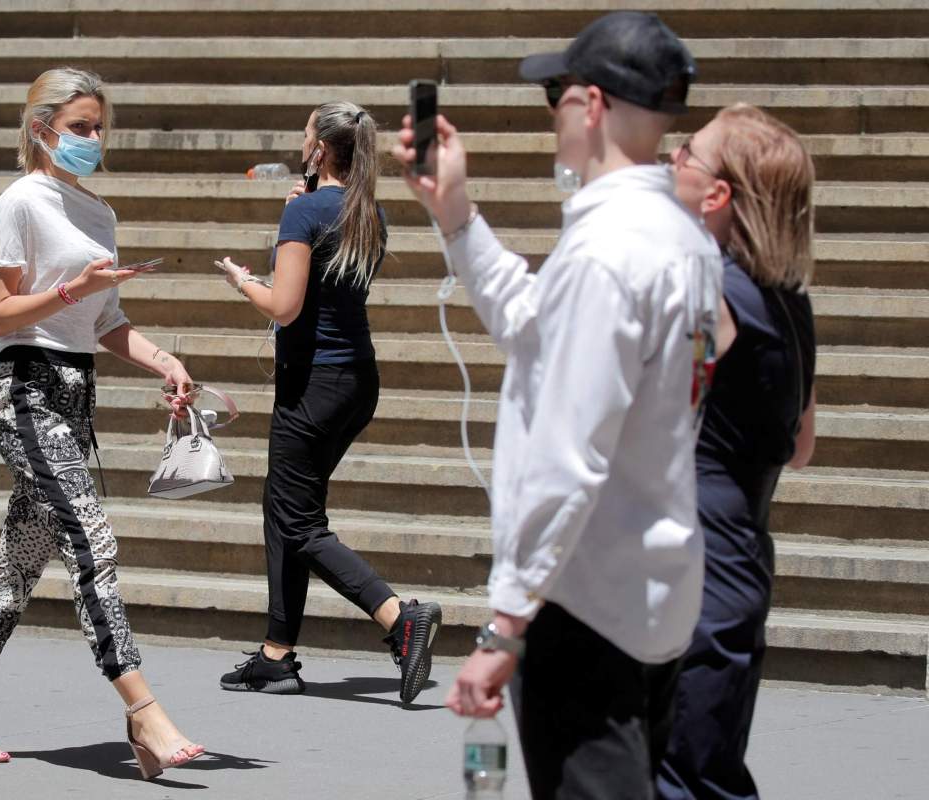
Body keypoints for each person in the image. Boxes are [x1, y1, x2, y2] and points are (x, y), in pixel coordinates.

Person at [393, 12, 722, 798]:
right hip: (649, 589)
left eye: (555, 93)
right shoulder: (678, 239)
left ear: (592, 104)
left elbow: (569, 456)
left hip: (590, 602)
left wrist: (504, 627)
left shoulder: (612, 252)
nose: (552, 115)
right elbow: (535, 323)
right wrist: (456, 215)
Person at [0, 67, 204, 780]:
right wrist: (74, 286)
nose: (93, 139)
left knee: (19, 565)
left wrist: (164, 360)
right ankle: (142, 708)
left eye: (99, 127)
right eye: (80, 127)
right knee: (91, 540)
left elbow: (104, 323)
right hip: (25, 391)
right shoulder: (21, 201)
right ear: (41, 128)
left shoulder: (99, 214)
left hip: (77, 395)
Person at [215, 101, 442, 705]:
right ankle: (275, 656)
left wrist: (243, 281)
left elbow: (284, 306)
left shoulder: (308, 211)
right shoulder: (369, 212)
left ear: (320, 150)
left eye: (306, 136)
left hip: (313, 384)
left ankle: (399, 616)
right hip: (355, 381)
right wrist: (299, 208)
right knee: (283, 507)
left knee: (297, 519)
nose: (300, 143)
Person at [658, 103, 817, 800]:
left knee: (679, 776)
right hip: (741, 559)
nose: (672, 158)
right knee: (703, 773)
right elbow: (802, 445)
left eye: (687, 151)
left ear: (718, 195)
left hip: (690, 568)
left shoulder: (711, 295)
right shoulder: (788, 301)